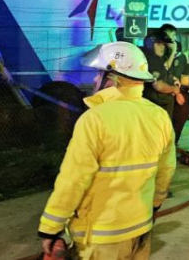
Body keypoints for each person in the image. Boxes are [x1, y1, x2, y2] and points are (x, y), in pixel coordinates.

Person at [38, 41, 175, 260]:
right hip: (141, 230)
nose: (94, 79)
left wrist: (50, 226)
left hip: (102, 238)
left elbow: (73, 179)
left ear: (112, 78)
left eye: (98, 73)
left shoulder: (95, 119)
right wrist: (155, 205)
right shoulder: (159, 116)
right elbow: (166, 171)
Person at [142, 32, 183, 120]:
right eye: (159, 44)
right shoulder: (152, 60)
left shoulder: (159, 59)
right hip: (156, 106)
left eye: (163, 45)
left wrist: (173, 80)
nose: (162, 47)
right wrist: (174, 89)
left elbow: (165, 70)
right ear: (150, 45)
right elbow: (159, 86)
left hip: (160, 105)